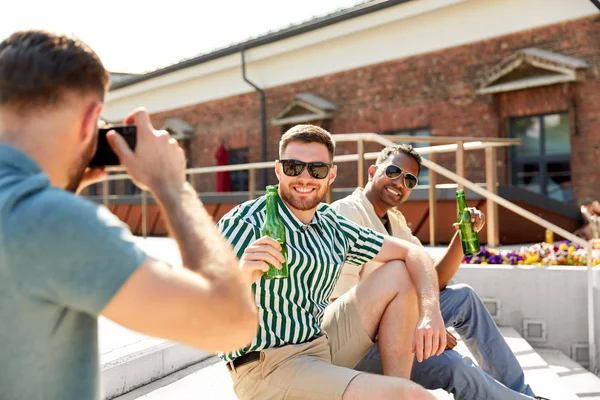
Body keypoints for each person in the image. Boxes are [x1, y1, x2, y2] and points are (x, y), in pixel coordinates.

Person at [0, 30, 258, 400]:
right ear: (92, 121)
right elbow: (232, 323)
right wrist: (173, 187)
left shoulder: (37, 217)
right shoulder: (57, 223)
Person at [216, 124, 447, 400]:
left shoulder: (331, 224)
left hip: (320, 344)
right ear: (279, 170)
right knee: (415, 396)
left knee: (399, 270)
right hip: (267, 367)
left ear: (331, 175)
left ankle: (396, 388)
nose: (304, 177)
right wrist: (242, 277)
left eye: (317, 169)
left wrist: (431, 312)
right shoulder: (245, 223)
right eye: (293, 167)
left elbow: (414, 253)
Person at [330, 144, 544, 400]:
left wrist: (463, 236)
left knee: (464, 297)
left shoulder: (394, 221)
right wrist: (417, 327)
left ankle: (523, 393)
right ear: (373, 171)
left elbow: (434, 280)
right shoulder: (347, 213)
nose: (400, 182)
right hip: (359, 350)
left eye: (409, 179)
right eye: (394, 171)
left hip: (396, 321)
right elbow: (344, 313)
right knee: (456, 365)